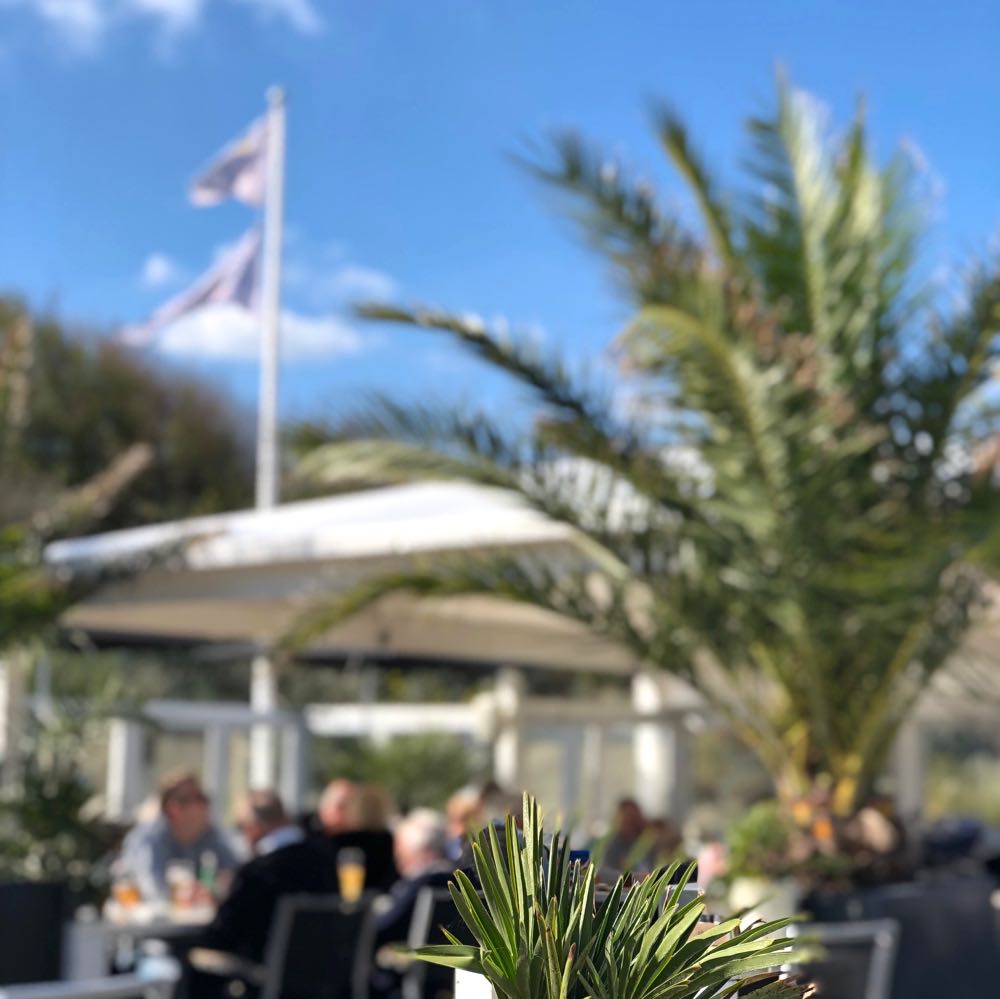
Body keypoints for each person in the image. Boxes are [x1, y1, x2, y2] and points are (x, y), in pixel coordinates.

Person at [370, 809, 456, 999]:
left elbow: (383, 928)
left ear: (417, 849)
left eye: (401, 853)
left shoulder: (424, 881)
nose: (398, 862)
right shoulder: (458, 878)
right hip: (448, 980)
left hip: (411, 982)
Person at [117, 771, 238, 903]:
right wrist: (187, 895)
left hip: (193, 913)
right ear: (173, 808)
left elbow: (236, 877)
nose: (206, 805)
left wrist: (214, 890)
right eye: (199, 798)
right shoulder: (150, 839)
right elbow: (153, 891)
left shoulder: (210, 835)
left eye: (204, 798)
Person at [309, 778, 398, 892]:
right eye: (341, 806)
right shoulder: (394, 842)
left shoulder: (343, 842)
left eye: (349, 806)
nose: (346, 812)